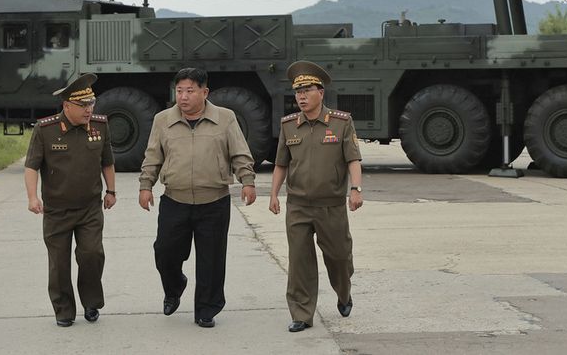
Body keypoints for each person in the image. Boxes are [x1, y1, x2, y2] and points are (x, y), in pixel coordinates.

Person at [138, 67, 257, 328]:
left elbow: (239, 152)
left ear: (205, 92)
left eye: (190, 91)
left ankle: (207, 308)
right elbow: (153, 156)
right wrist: (145, 186)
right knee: (165, 252)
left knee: (211, 260)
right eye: (179, 91)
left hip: (213, 201)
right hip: (174, 200)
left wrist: (247, 180)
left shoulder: (225, 118)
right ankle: (174, 287)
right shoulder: (162, 120)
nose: (183, 97)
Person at [268, 60, 363, 333]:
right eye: (298, 91)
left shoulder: (341, 123)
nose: (301, 96)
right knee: (299, 262)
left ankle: (343, 292)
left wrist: (355, 189)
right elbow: (281, 164)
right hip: (297, 206)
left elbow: (353, 159)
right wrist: (274, 194)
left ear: (320, 92)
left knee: (339, 257)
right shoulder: (289, 126)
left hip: (331, 206)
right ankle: (302, 313)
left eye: (307, 90)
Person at [24, 73, 117, 327]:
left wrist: (111, 191)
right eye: (83, 105)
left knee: (92, 255)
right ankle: (63, 309)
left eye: (91, 104)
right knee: (59, 264)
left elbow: (107, 161)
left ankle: (91, 303)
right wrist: (32, 197)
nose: (89, 110)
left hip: (89, 208)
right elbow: (31, 166)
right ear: (67, 106)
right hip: (56, 211)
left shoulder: (100, 126)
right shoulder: (46, 130)